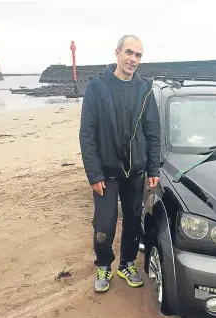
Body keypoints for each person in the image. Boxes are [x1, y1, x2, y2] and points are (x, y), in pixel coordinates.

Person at [79, 35, 161, 293]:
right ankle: (103, 263)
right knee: (104, 224)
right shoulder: (97, 87)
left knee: (134, 220)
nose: (133, 59)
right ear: (117, 53)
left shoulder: (144, 89)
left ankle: (126, 263)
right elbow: (87, 133)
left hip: (136, 171)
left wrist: (153, 168)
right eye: (129, 52)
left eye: (138, 55)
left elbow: (153, 131)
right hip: (106, 173)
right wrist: (93, 173)